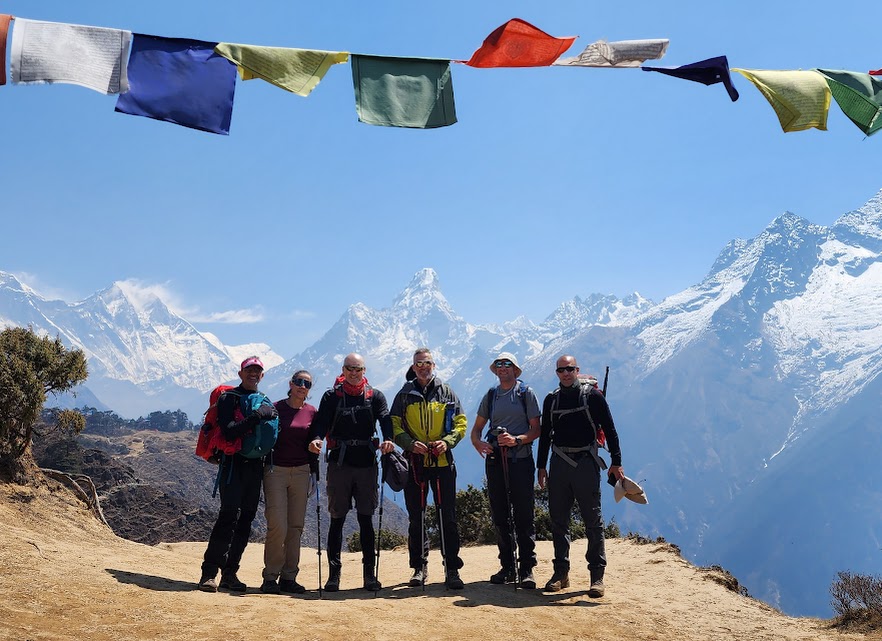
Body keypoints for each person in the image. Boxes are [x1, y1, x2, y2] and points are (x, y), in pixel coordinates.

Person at [537, 354, 624, 597]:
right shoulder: (551, 400)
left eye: (570, 369)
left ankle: (597, 577)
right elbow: (545, 435)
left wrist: (616, 462)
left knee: (592, 521)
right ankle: (561, 573)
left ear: (577, 370)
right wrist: (541, 467)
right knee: (558, 520)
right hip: (559, 462)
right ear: (557, 373)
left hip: (586, 462)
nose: (566, 373)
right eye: (561, 370)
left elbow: (610, 428)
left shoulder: (593, 397)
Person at [308, 353, 394, 592]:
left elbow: (385, 419)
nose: (354, 373)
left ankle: (368, 576)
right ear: (343, 370)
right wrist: (316, 438)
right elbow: (321, 422)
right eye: (349, 368)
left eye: (358, 369)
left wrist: (389, 439)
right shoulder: (331, 397)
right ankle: (334, 576)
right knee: (337, 519)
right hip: (340, 464)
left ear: (364, 370)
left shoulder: (375, 396)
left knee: (365, 519)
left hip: (366, 464)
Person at [199, 356, 278, 593]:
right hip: (232, 466)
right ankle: (209, 574)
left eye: (257, 371)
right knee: (228, 517)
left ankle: (230, 574)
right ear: (240, 373)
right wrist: (256, 417)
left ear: (262, 375)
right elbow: (230, 432)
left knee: (246, 520)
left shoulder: (264, 401)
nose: (253, 374)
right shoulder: (228, 399)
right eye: (249, 371)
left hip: (255, 467)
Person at [390, 347, 467, 590]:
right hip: (415, 463)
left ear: (434, 365)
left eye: (427, 363)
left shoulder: (447, 392)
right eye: (419, 364)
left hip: (443, 462)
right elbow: (393, 425)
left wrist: (447, 442)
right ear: (413, 368)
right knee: (417, 517)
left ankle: (452, 568)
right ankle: (418, 568)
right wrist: (410, 445)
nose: (423, 367)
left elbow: (460, 423)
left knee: (448, 517)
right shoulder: (404, 395)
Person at [469, 352, 541, 589]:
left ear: (515, 369)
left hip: (520, 460)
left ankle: (527, 568)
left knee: (523, 514)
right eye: (499, 365)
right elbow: (476, 430)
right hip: (496, 462)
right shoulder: (491, 396)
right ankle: (508, 566)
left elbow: (537, 429)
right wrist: (479, 443)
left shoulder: (525, 394)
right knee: (500, 514)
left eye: (507, 364)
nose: (502, 368)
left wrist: (516, 440)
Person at [260, 369, 318, 595]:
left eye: (307, 384)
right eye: (299, 382)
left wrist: (315, 473)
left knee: (295, 527)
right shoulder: (276, 409)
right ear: (291, 383)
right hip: (276, 470)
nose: (302, 386)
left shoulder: (312, 412)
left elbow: (316, 438)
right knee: (277, 524)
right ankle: (270, 577)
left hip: (302, 472)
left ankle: (289, 577)